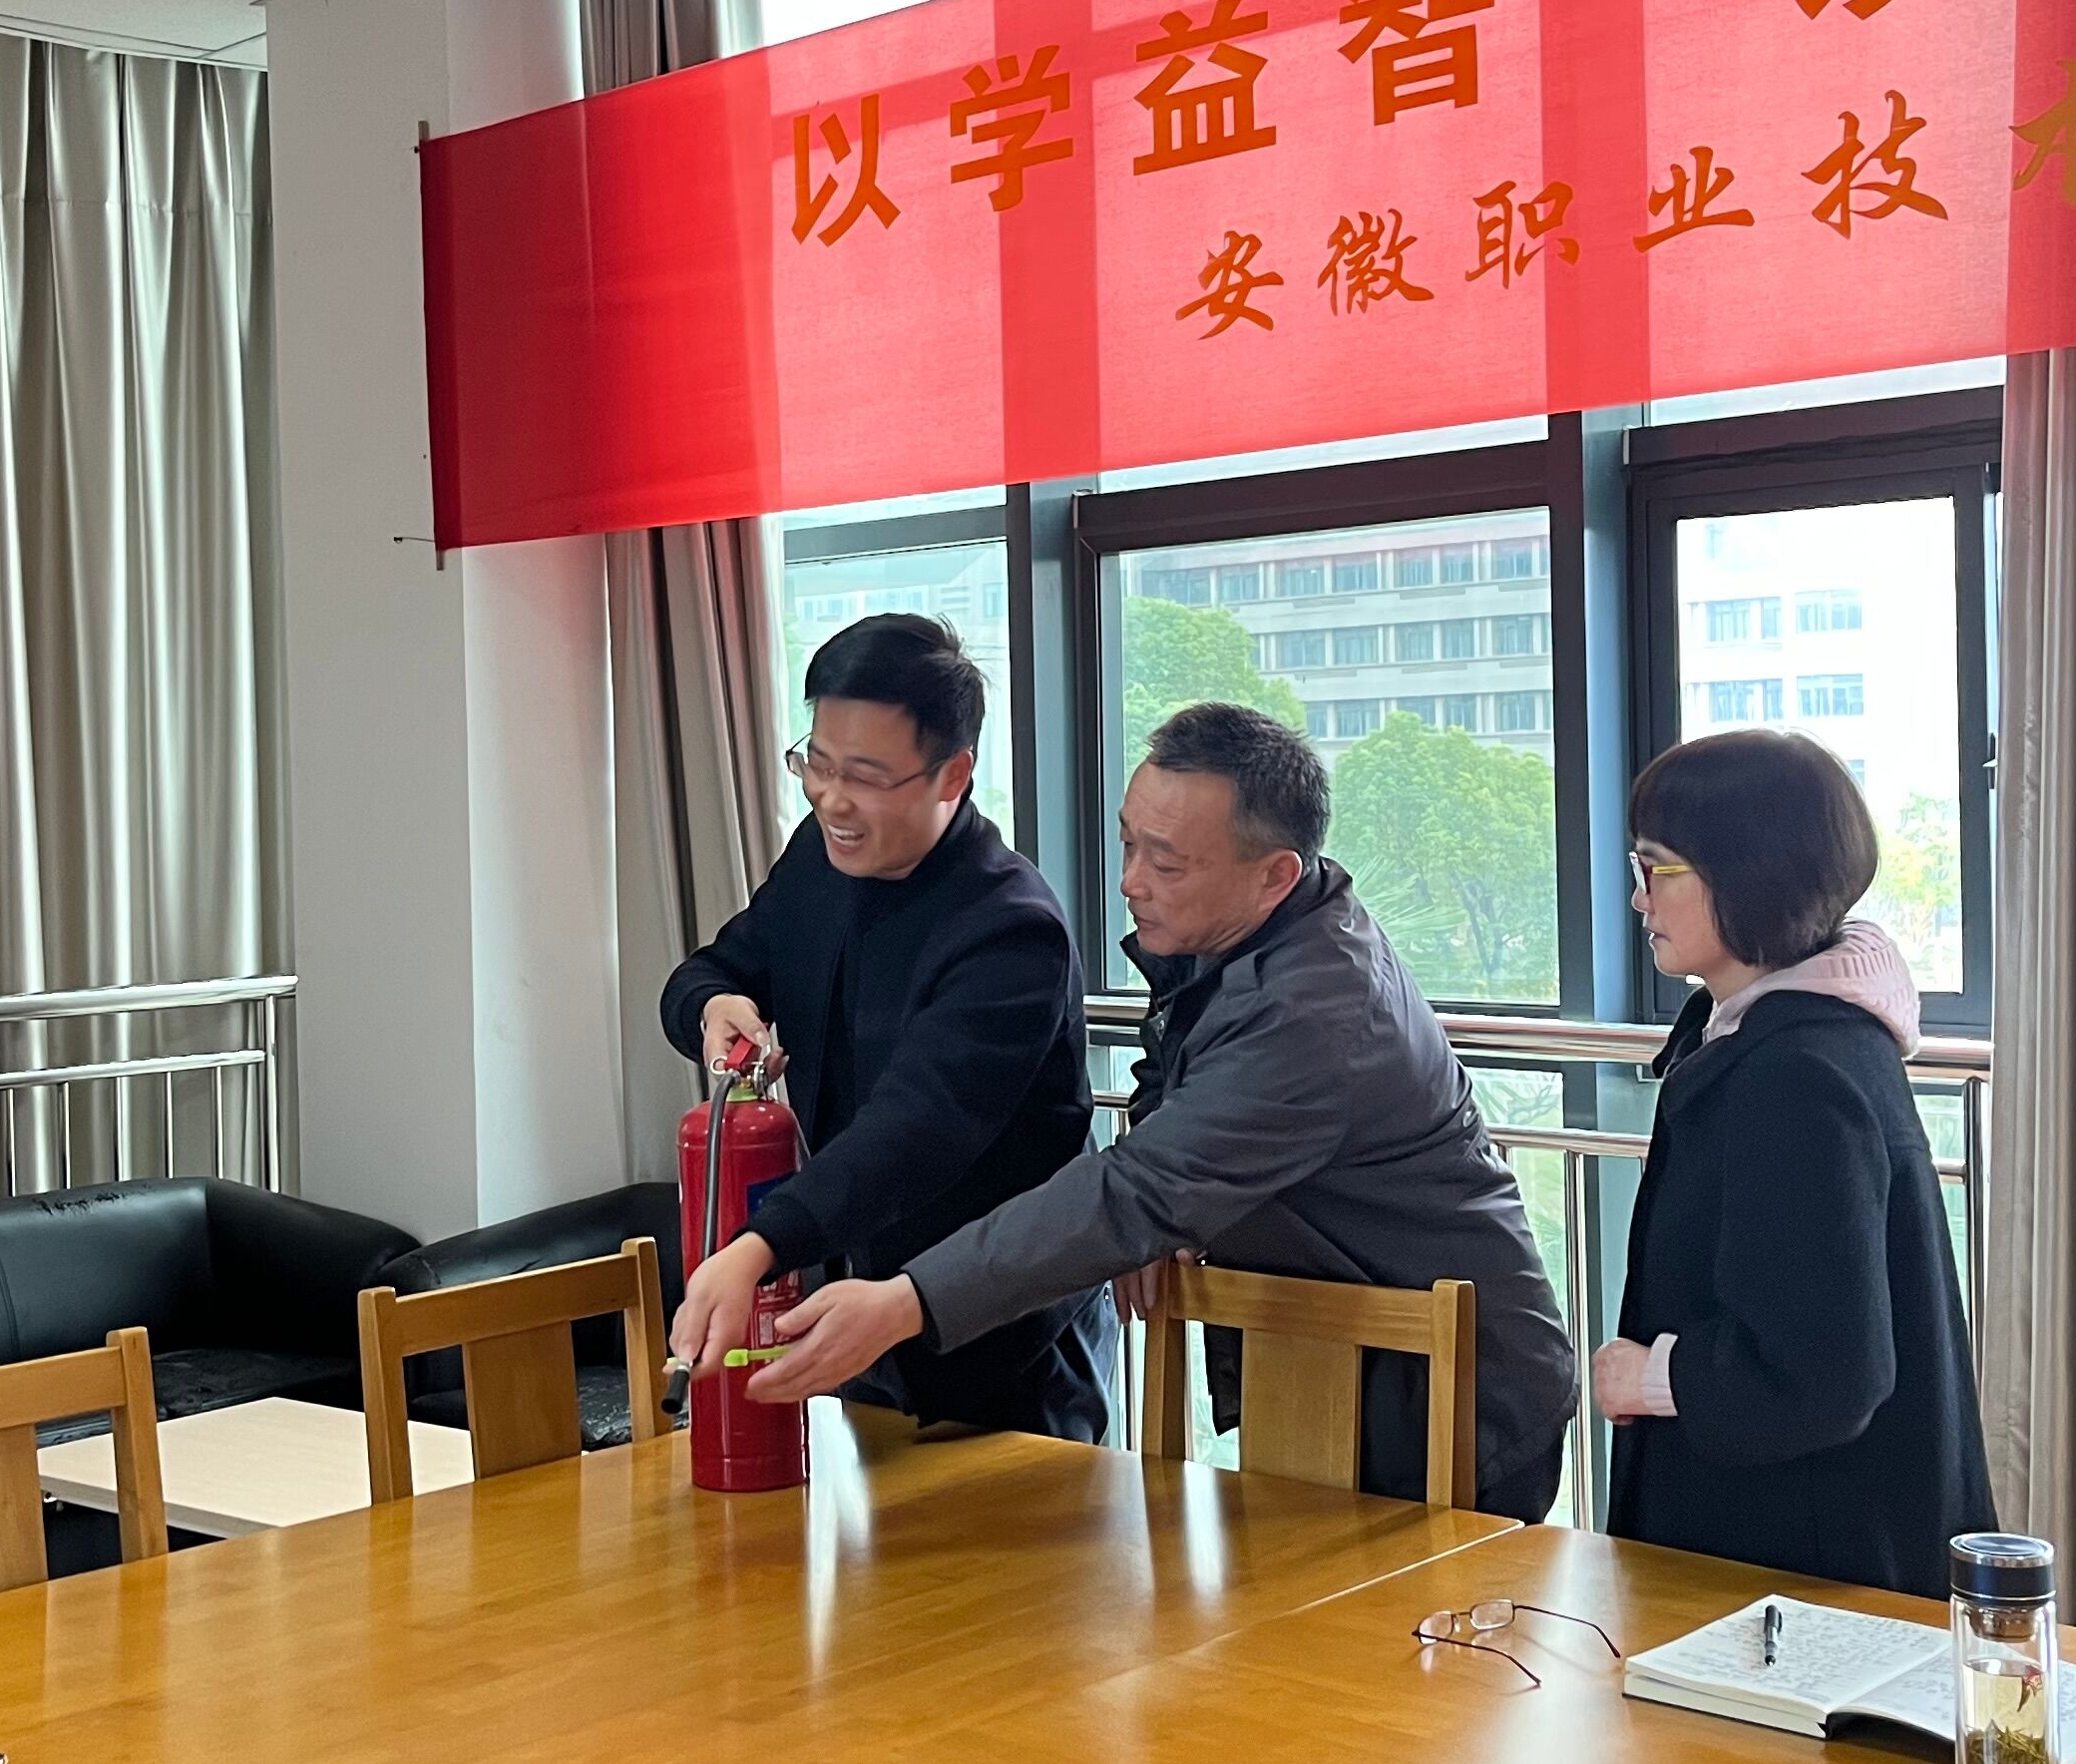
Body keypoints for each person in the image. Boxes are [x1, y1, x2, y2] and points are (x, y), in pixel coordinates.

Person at [756, 701, 1578, 1519]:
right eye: (1128, 843)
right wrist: (1167, 1211)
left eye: (1168, 863)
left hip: (1460, 1397)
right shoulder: (1246, 925)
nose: (1131, 882)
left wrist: (905, 1302)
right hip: (1325, 1356)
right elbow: (1168, 1078)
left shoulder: (1315, 1017)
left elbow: (1130, 1191)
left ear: (1275, 873)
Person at [660, 614, 1110, 1443]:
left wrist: (757, 1247)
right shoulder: (820, 858)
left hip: (1003, 1340)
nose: (832, 799)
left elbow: (912, 1131)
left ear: (953, 774)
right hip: (857, 1308)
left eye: (866, 776)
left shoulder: (1010, 929)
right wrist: (711, 1007)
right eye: (818, 763)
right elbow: (720, 967)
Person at [1593, 728, 1992, 1591]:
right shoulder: (1767, 1032)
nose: (1638, 898)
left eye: (1657, 869)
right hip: (1789, 1544)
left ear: (1747, 873)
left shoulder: (1798, 1072)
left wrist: (1652, 1376)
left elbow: (1827, 1372)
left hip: (1810, 1570)